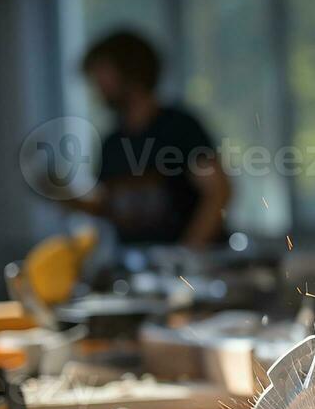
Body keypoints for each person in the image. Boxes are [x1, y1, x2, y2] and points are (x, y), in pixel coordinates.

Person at [76, 28, 231, 248]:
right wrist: (69, 201)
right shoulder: (112, 143)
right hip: (139, 271)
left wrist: (187, 253)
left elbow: (218, 191)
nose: (98, 84)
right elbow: (112, 206)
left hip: (194, 273)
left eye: (103, 72)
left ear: (129, 72)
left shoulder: (179, 127)